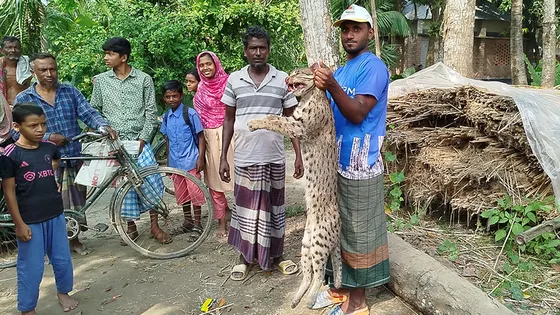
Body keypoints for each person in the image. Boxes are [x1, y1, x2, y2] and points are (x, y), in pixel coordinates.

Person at [311, 5, 391, 315]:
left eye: (356, 28)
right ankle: (340, 290)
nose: (349, 34)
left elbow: (357, 112)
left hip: (361, 165)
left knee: (359, 233)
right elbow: (327, 114)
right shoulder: (342, 71)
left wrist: (330, 84)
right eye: (345, 29)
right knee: (340, 229)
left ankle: (358, 303)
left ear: (370, 32)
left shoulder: (373, 67)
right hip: (336, 164)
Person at [219, 26, 304, 280]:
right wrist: (223, 156)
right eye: (253, 48)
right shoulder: (234, 79)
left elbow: (292, 119)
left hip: (274, 156)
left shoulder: (282, 79)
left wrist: (298, 155)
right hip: (245, 157)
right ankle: (244, 259)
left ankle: (276, 256)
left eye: (263, 48)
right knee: (246, 211)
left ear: (269, 50)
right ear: (246, 51)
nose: (258, 52)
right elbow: (228, 120)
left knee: (274, 209)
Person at [14, 53, 117, 256]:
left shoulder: (69, 91)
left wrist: (103, 126)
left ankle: (73, 240)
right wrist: (49, 137)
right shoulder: (24, 98)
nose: (49, 73)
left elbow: (88, 112)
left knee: (76, 202)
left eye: (53, 69)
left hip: (72, 156)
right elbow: (17, 130)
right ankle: (48, 246)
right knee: (47, 204)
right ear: (34, 72)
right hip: (42, 161)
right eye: (43, 70)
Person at [0, 103, 79, 315]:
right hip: (30, 220)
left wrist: (46, 173)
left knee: (62, 259)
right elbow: (8, 191)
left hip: (55, 214)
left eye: (43, 124)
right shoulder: (10, 154)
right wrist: (19, 224)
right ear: (16, 126)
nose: (40, 129)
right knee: (31, 267)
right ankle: (27, 308)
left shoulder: (48, 147)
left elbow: (55, 159)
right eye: (33, 125)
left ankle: (63, 292)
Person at [90, 37, 169, 244]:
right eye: (105, 54)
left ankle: (154, 225)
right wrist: (103, 131)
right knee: (123, 185)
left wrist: (143, 139)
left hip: (139, 141)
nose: (106, 58)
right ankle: (130, 227)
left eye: (110, 54)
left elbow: (152, 113)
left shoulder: (144, 79)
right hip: (114, 143)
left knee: (150, 181)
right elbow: (94, 110)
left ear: (123, 57)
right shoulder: (101, 81)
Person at [193, 51, 234, 237]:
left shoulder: (230, 83)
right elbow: (199, 122)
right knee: (214, 182)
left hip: (231, 135)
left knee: (239, 179)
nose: (205, 68)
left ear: (216, 64)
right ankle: (221, 221)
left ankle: (245, 217)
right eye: (201, 66)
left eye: (208, 64)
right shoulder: (200, 89)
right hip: (209, 138)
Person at [160, 80, 206, 239]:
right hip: (176, 164)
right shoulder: (166, 117)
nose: (171, 99)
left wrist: (201, 158)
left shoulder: (190, 113)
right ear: (164, 98)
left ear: (181, 96)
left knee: (195, 193)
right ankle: (188, 222)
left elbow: (201, 136)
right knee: (182, 194)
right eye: (168, 97)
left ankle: (198, 224)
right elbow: (167, 139)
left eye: (174, 96)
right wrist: (168, 163)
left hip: (191, 161)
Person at [0, 36, 31, 148]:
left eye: (16, 47)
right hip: (3, 112)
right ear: (2, 50)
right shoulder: (1, 68)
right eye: (9, 47)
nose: (13, 50)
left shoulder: (28, 67)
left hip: (24, 110)